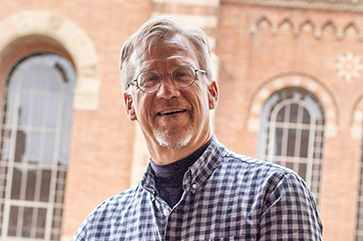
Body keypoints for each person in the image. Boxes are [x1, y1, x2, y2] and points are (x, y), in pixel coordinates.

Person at [72, 16, 323, 240]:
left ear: (212, 92)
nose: (167, 91)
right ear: (129, 105)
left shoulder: (273, 192)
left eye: (182, 74)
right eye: (150, 79)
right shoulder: (99, 228)